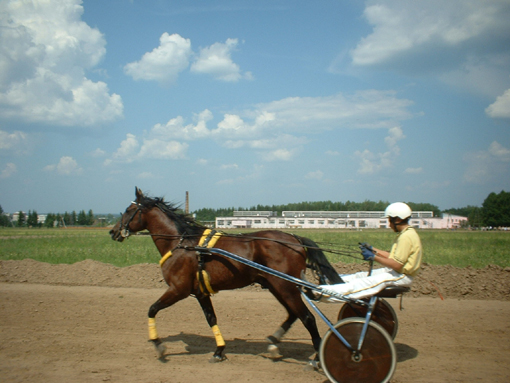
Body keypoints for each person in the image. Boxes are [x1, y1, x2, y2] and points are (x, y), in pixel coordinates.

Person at [318, 202, 423, 301]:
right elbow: (392, 257)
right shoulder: (407, 234)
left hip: (401, 276)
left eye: (390, 220)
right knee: (359, 276)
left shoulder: (406, 237)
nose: (389, 224)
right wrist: (372, 249)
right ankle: (331, 280)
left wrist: (373, 257)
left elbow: (396, 264)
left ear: (398, 220)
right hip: (399, 274)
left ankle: (322, 292)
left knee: (363, 283)